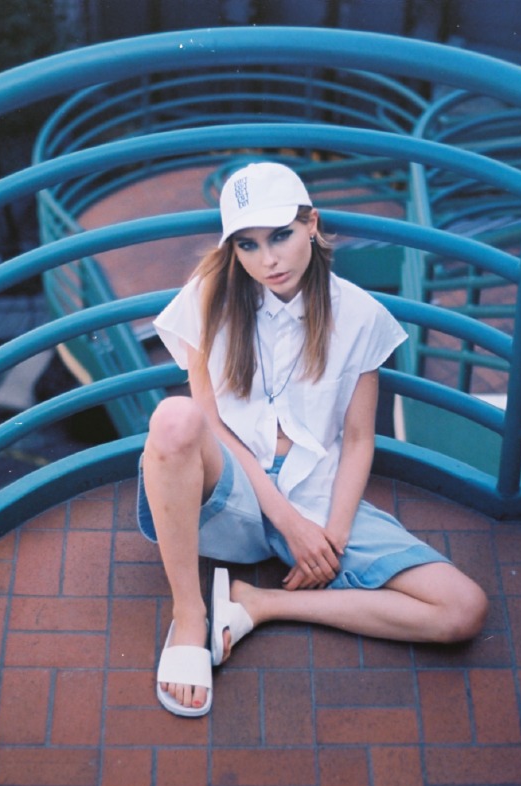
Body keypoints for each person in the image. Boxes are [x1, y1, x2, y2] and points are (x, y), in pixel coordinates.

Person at [138, 161, 488, 717]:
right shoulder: (209, 297)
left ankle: (261, 604)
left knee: (462, 609)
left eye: (280, 235)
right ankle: (189, 616)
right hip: (234, 491)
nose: (268, 260)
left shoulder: (360, 314)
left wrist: (333, 538)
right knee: (174, 419)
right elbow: (212, 422)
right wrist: (288, 523)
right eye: (248, 245)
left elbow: (358, 440)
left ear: (312, 224)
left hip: (317, 493)